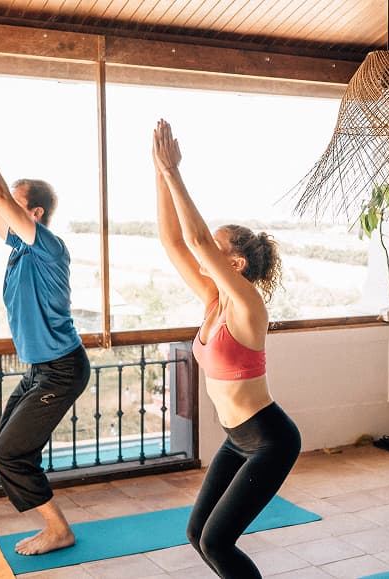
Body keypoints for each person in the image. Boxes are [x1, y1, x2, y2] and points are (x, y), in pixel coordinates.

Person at [151, 119, 300, 578]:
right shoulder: (213, 300)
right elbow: (174, 240)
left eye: (216, 250)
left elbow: (194, 239)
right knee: (199, 534)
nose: (205, 253)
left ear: (233, 264)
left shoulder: (247, 305)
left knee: (217, 540)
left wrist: (176, 173)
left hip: (270, 441)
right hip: (237, 441)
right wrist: (159, 172)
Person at [0, 100, 90, 555]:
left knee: (8, 454)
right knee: (3, 450)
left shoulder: (48, 248)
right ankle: (53, 525)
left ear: (34, 213)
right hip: (40, 369)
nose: (5, 208)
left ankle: (59, 529)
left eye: (15, 203)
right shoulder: (18, 248)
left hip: (61, 369)